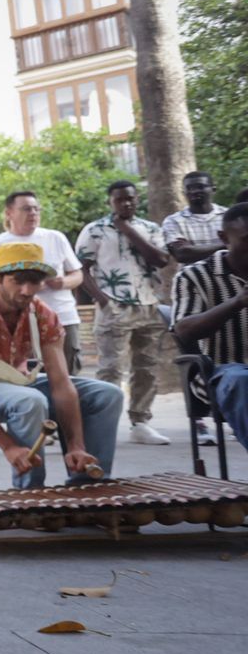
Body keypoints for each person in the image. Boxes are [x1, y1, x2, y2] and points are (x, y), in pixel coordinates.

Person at [0, 242, 122, 489]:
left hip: (14, 381)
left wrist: (76, 444)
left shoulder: (43, 314)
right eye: (17, 280)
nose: (27, 290)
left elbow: (61, 383)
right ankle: (30, 494)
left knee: (107, 395)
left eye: (34, 281)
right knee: (30, 401)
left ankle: (87, 483)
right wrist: (8, 447)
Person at [75, 180, 171, 446]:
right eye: (119, 199)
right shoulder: (94, 230)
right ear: (110, 202)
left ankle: (140, 422)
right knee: (111, 369)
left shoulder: (150, 228)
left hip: (149, 304)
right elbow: (80, 269)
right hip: (114, 306)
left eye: (130, 198)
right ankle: (102, 423)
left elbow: (161, 260)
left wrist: (126, 229)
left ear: (136, 198)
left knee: (147, 367)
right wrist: (103, 300)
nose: (125, 203)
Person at [0, 191, 85, 373]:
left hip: (62, 316)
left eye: (37, 209)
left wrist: (63, 282)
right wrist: (23, 286)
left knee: (67, 375)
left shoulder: (55, 238)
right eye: (27, 209)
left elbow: (78, 275)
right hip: (18, 321)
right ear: (9, 213)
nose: (33, 214)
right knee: (25, 377)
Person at [172, 203, 248, 453]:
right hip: (220, 374)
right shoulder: (194, 277)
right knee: (242, 379)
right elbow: (183, 330)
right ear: (224, 238)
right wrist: (237, 302)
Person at [164, 171, 229, 444]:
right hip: (193, 293)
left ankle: (234, 414)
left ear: (212, 187)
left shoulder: (227, 215)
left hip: (229, 287)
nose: (195, 192)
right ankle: (199, 420)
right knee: (192, 355)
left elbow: (193, 251)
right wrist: (225, 244)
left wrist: (205, 247)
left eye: (201, 187)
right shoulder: (174, 221)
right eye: (189, 188)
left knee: (230, 351)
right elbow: (182, 254)